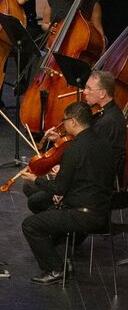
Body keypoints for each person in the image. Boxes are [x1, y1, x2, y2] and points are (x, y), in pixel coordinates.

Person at [21, 101, 117, 284]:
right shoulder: (104, 143)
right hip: (102, 209)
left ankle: (55, 269)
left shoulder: (74, 148)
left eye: (64, 120)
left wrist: (35, 179)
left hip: (83, 214)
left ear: (73, 122)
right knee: (51, 212)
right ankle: (65, 259)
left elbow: (59, 188)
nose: (63, 124)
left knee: (31, 225)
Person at [25, 70, 127, 211]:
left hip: (91, 186)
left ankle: (65, 218)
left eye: (89, 88)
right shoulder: (102, 113)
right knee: (29, 187)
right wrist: (60, 139)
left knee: (35, 200)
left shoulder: (108, 122)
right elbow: (85, 146)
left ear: (102, 93)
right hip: (85, 172)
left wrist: (65, 171)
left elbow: (92, 161)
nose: (84, 92)